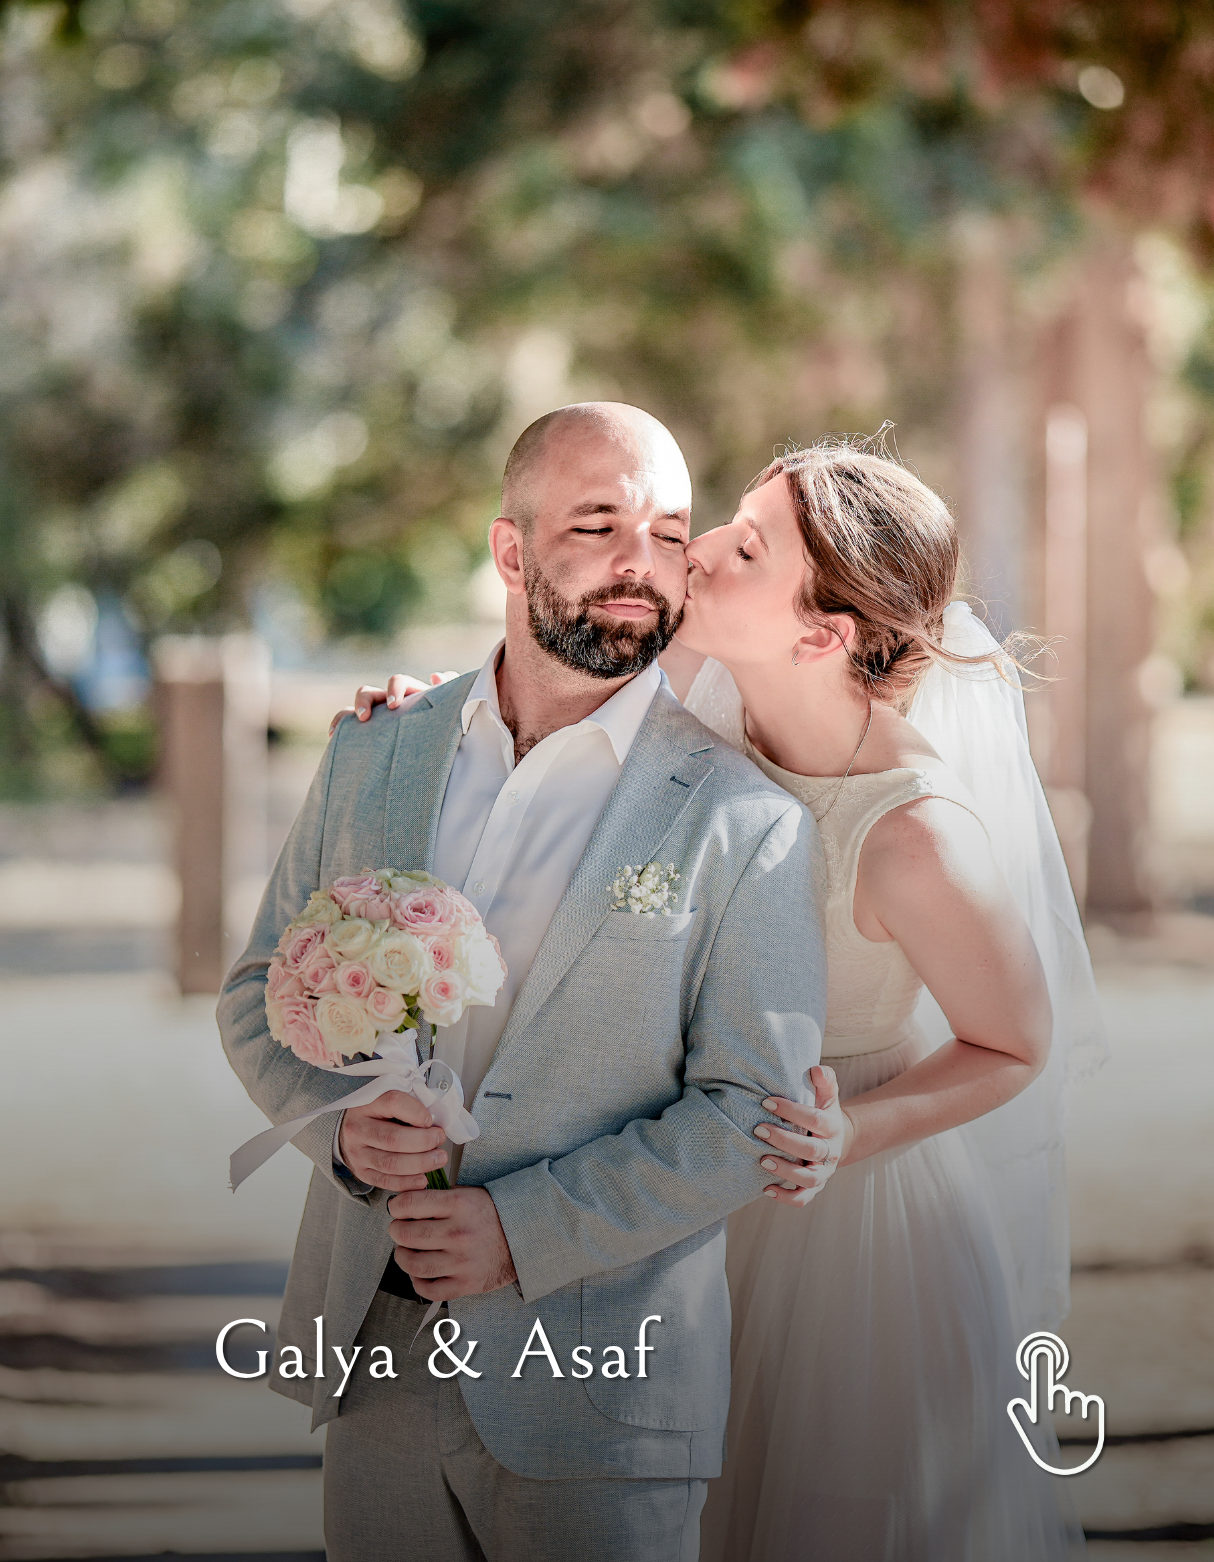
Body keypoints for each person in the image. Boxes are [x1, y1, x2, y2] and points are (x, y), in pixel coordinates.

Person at [351, 435, 1103, 1559]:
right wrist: (435, 719)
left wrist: (847, 1132)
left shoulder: (914, 836)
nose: (694, 551)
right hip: (669, 1169)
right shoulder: (697, 683)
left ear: (820, 631)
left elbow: (1013, 1041)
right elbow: (547, 690)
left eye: (744, 545)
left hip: (837, 1215)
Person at [220, 402, 834, 1562]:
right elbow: (259, 986)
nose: (636, 565)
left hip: (599, 1389)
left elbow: (749, 1109)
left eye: (666, 533)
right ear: (509, 551)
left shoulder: (744, 822)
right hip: (374, 1351)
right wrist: (343, 1132)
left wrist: (520, 1230)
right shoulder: (375, 747)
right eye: (596, 525)